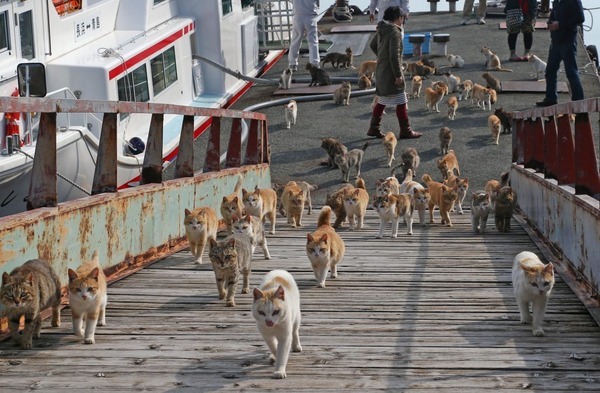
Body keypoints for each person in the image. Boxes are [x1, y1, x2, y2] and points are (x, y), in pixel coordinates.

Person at [367, 6, 421, 139]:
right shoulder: (395, 32)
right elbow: (394, 56)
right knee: (401, 100)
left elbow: (373, 45)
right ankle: (405, 130)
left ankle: (373, 128)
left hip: (381, 70)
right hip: (391, 72)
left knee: (382, 100)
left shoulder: (382, 29)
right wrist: (398, 75)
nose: (403, 21)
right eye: (402, 18)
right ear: (399, 17)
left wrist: (382, 58)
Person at [536, 0, 585, 107]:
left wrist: (559, 24)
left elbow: (580, 18)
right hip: (556, 41)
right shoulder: (557, 1)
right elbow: (553, 15)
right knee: (550, 72)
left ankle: (578, 101)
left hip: (568, 41)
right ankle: (551, 98)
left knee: (571, 72)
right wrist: (550, 23)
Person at [288, 0, 320, 71]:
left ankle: (292, 64)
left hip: (298, 16)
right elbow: (318, 3)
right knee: (313, 42)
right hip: (311, 16)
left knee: (295, 41)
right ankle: (315, 64)